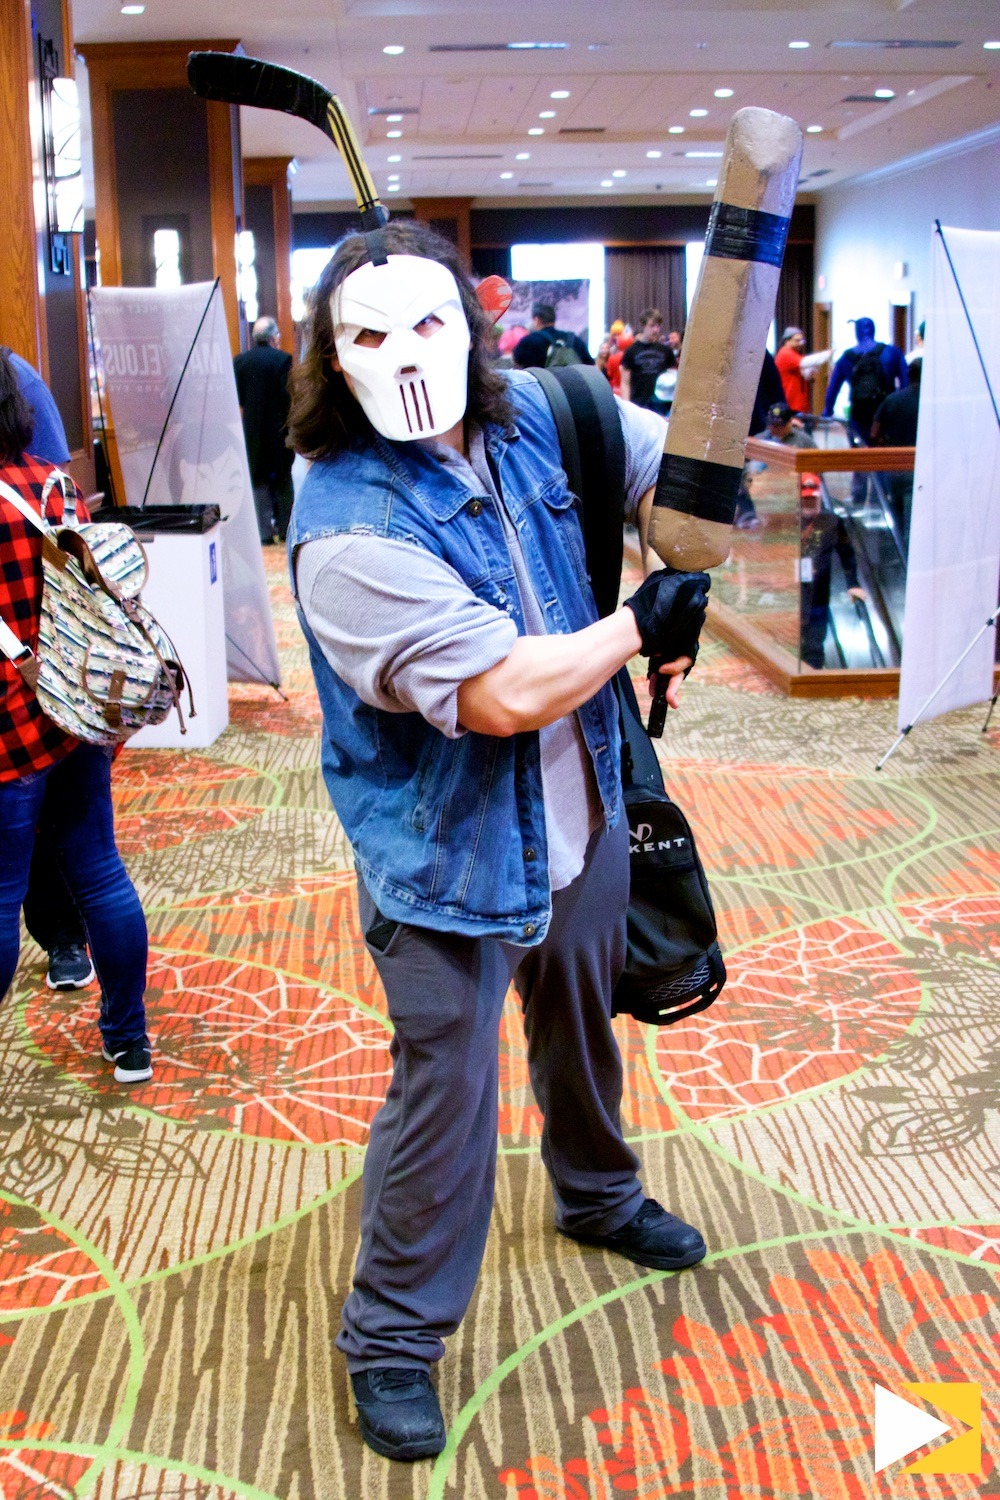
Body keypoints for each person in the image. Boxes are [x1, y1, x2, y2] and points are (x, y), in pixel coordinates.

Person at [286, 220, 710, 1463]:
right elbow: (501, 693)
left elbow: (666, 477)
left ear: (471, 331)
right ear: (332, 356)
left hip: (585, 805)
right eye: (370, 334)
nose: (405, 354)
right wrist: (639, 626)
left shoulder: (538, 412)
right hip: (446, 853)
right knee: (446, 1090)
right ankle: (391, 1336)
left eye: (428, 323)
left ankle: (599, 1194)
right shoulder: (346, 528)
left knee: (580, 1018)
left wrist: (683, 531)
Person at [0, 350, 152, 1084]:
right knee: (101, 875)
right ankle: (129, 1040)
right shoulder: (57, 487)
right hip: (74, 711)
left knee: (3, 897)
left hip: (7, 730)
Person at [233, 315, 294, 543]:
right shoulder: (283, 360)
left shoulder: (241, 362)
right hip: (278, 429)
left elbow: (238, 398)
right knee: (283, 479)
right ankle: (285, 529)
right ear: (273, 337)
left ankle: (264, 533)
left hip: (252, 430)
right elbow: (287, 398)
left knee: (258, 480)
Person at [822, 316, 908, 448]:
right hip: (887, 414)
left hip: (859, 415)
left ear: (856, 332)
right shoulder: (892, 352)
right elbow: (905, 383)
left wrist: (828, 411)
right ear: (873, 330)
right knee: (887, 455)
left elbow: (832, 390)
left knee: (861, 456)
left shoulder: (846, 357)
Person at [871, 356, 922, 550]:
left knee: (895, 516)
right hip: (918, 467)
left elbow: (874, 432)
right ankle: (907, 560)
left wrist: (884, 444)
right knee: (912, 523)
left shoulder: (892, 399)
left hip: (892, 466)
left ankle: (894, 554)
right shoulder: (928, 403)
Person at [620, 309, 676, 412]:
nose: (656, 330)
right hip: (638, 405)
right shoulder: (631, 351)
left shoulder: (666, 351)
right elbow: (625, 382)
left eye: (658, 326)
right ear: (643, 325)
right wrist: (626, 407)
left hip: (661, 406)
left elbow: (673, 378)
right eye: (652, 326)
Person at [511, 302, 594, 369]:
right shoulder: (573, 339)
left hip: (541, 383)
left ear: (536, 320)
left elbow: (516, 363)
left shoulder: (528, 341)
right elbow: (589, 364)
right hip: (570, 384)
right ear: (553, 320)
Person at [774, 327, 812, 415]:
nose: (800, 344)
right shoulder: (786, 353)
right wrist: (826, 354)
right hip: (791, 403)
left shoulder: (794, 354)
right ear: (787, 340)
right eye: (797, 340)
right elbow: (806, 362)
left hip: (797, 403)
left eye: (801, 341)